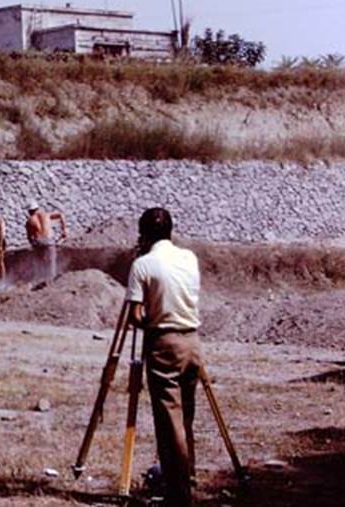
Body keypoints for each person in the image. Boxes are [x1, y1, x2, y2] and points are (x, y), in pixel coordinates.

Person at [126, 207, 201, 507]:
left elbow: (135, 316)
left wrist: (150, 312)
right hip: (193, 342)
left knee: (170, 423)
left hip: (164, 343)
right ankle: (187, 476)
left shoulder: (143, 265)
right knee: (186, 417)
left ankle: (179, 495)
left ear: (144, 235)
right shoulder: (189, 258)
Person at [25, 201, 67, 280]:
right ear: (37, 208)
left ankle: (40, 279)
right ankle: (51, 279)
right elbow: (61, 215)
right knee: (51, 263)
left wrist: (33, 246)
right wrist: (64, 230)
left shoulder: (29, 221)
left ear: (29, 211)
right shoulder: (46, 215)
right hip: (49, 241)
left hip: (39, 242)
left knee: (40, 262)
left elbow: (30, 237)